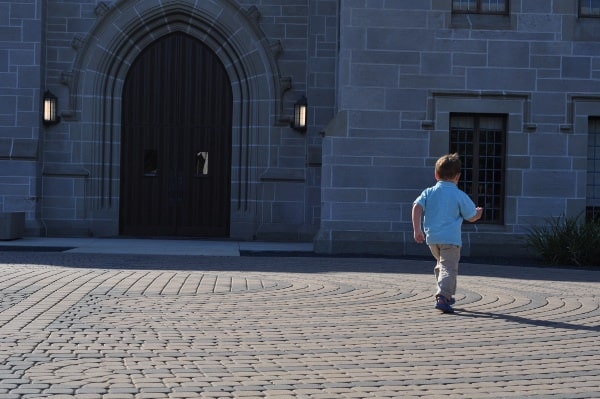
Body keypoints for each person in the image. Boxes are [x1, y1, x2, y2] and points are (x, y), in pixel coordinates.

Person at [412, 153, 483, 313]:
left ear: (436, 175)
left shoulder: (429, 192)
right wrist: (478, 214)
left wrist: (417, 229)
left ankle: (447, 294)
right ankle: (443, 297)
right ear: (458, 176)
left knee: (442, 265)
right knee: (449, 268)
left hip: (432, 239)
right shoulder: (459, 195)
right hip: (450, 240)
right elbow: (471, 216)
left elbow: (416, 207)